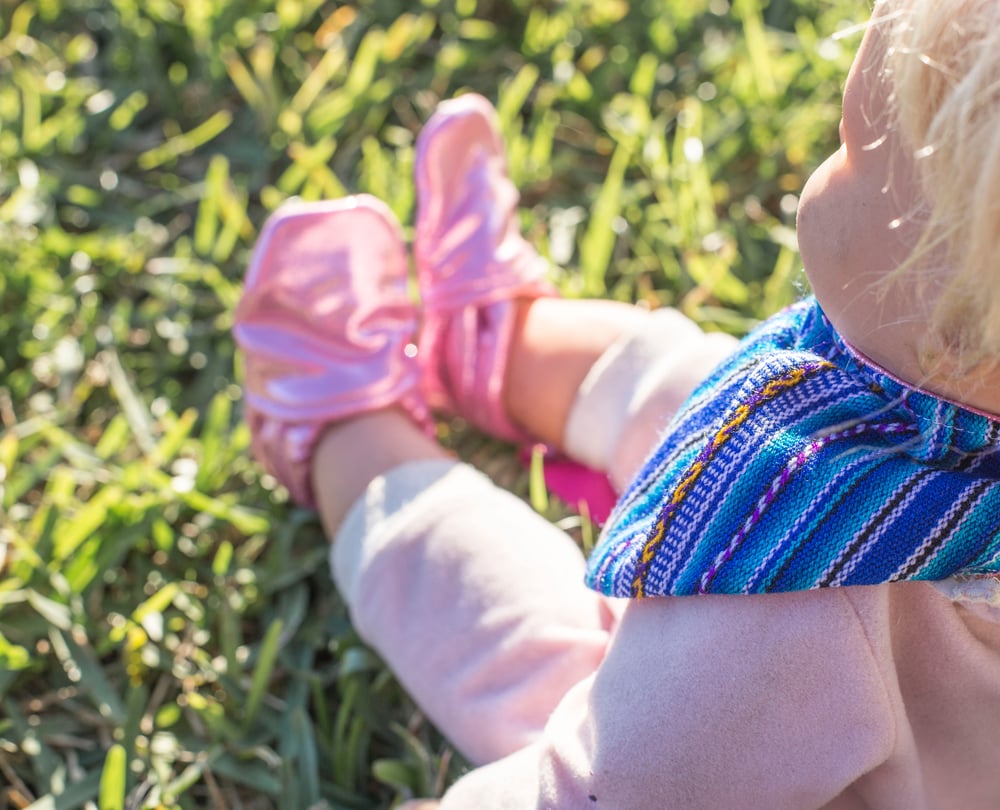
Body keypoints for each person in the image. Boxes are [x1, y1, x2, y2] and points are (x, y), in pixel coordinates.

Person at [233, 0, 1000, 806]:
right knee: (700, 382)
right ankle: (499, 347)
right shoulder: (943, 369)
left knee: (544, 663)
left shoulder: (777, 626)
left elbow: (596, 792)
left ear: (953, 327)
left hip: (746, 751)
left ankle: (348, 441)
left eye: (860, 145)